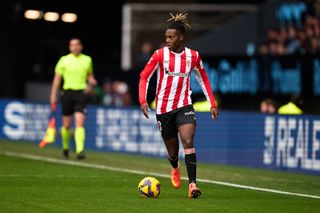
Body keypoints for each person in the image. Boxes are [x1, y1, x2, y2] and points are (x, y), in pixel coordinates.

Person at [138, 13, 218, 198]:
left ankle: (192, 185)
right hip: (164, 109)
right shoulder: (159, 55)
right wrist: (143, 100)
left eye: (171, 37)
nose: (167, 40)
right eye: (166, 37)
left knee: (188, 141)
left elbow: (204, 79)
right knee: (173, 152)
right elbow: (144, 77)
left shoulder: (193, 56)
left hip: (184, 105)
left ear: (181, 37)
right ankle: (175, 166)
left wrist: (212, 103)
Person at [49, 37, 97, 159]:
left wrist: (91, 84)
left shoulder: (87, 60)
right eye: (72, 45)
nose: (75, 47)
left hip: (81, 93)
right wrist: (53, 94)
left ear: (81, 46)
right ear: (70, 47)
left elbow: (90, 77)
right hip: (67, 93)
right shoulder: (64, 60)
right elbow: (57, 79)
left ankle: (79, 150)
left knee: (79, 123)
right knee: (66, 125)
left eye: (77, 44)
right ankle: (65, 148)